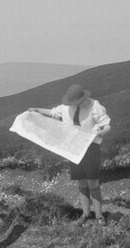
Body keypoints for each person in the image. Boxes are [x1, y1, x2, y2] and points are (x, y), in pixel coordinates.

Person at [28, 84, 112, 226]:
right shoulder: (65, 108)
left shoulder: (94, 106)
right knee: (82, 182)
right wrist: (37, 110)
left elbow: (107, 125)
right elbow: (53, 112)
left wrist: (100, 132)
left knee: (93, 182)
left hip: (91, 148)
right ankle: (86, 214)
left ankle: (99, 216)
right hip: (74, 149)